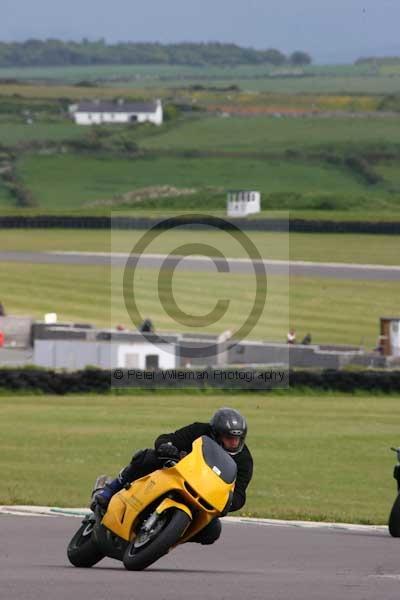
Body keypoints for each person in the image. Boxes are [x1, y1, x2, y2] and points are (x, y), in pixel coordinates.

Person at [91, 407, 253, 545]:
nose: (234, 443)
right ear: (216, 434)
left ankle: (168, 536)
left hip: (204, 497)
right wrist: (167, 447)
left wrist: (229, 503)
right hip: (178, 476)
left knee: (213, 531)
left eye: (237, 439)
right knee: (148, 457)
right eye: (229, 438)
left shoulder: (244, 460)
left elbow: (239, 495)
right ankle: (110, 490)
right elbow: (167, 439)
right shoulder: (199, 430)